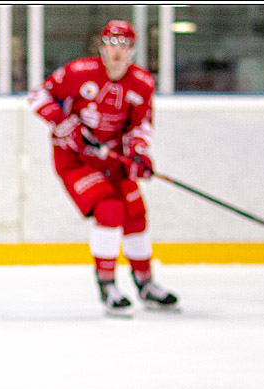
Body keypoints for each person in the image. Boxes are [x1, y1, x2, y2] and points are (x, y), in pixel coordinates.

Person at [28, 20, 179, 315]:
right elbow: (37, 96)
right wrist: (63, 123)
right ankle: (108, 285)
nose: (117, 51)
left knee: (135, 214)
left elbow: (140, 125)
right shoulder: (79, 72)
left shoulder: (142, 83)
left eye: (124, 45)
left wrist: (138, 155)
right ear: (101, 46)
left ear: (133, 50)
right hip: (75, 159)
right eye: (111, 44)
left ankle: (145, 283)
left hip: (113, 159)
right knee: (109, 210)